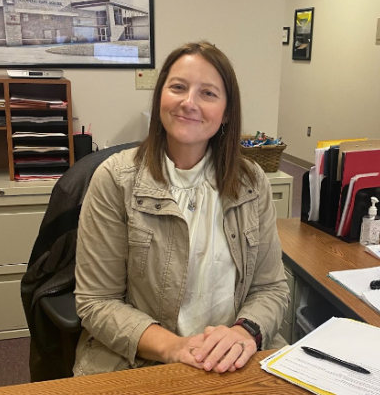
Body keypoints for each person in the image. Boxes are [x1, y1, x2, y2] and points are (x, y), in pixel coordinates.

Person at [73, 41, 289, 376]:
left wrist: (244, 332)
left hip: (234, 359)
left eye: (208, 93)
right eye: (178, 88)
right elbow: (97, 302)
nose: (189, 103)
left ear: (227, 112)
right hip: (144, 361)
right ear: (161, 97)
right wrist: (174, 346)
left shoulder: (251, 181)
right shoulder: (116, 180)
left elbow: (271, 288)